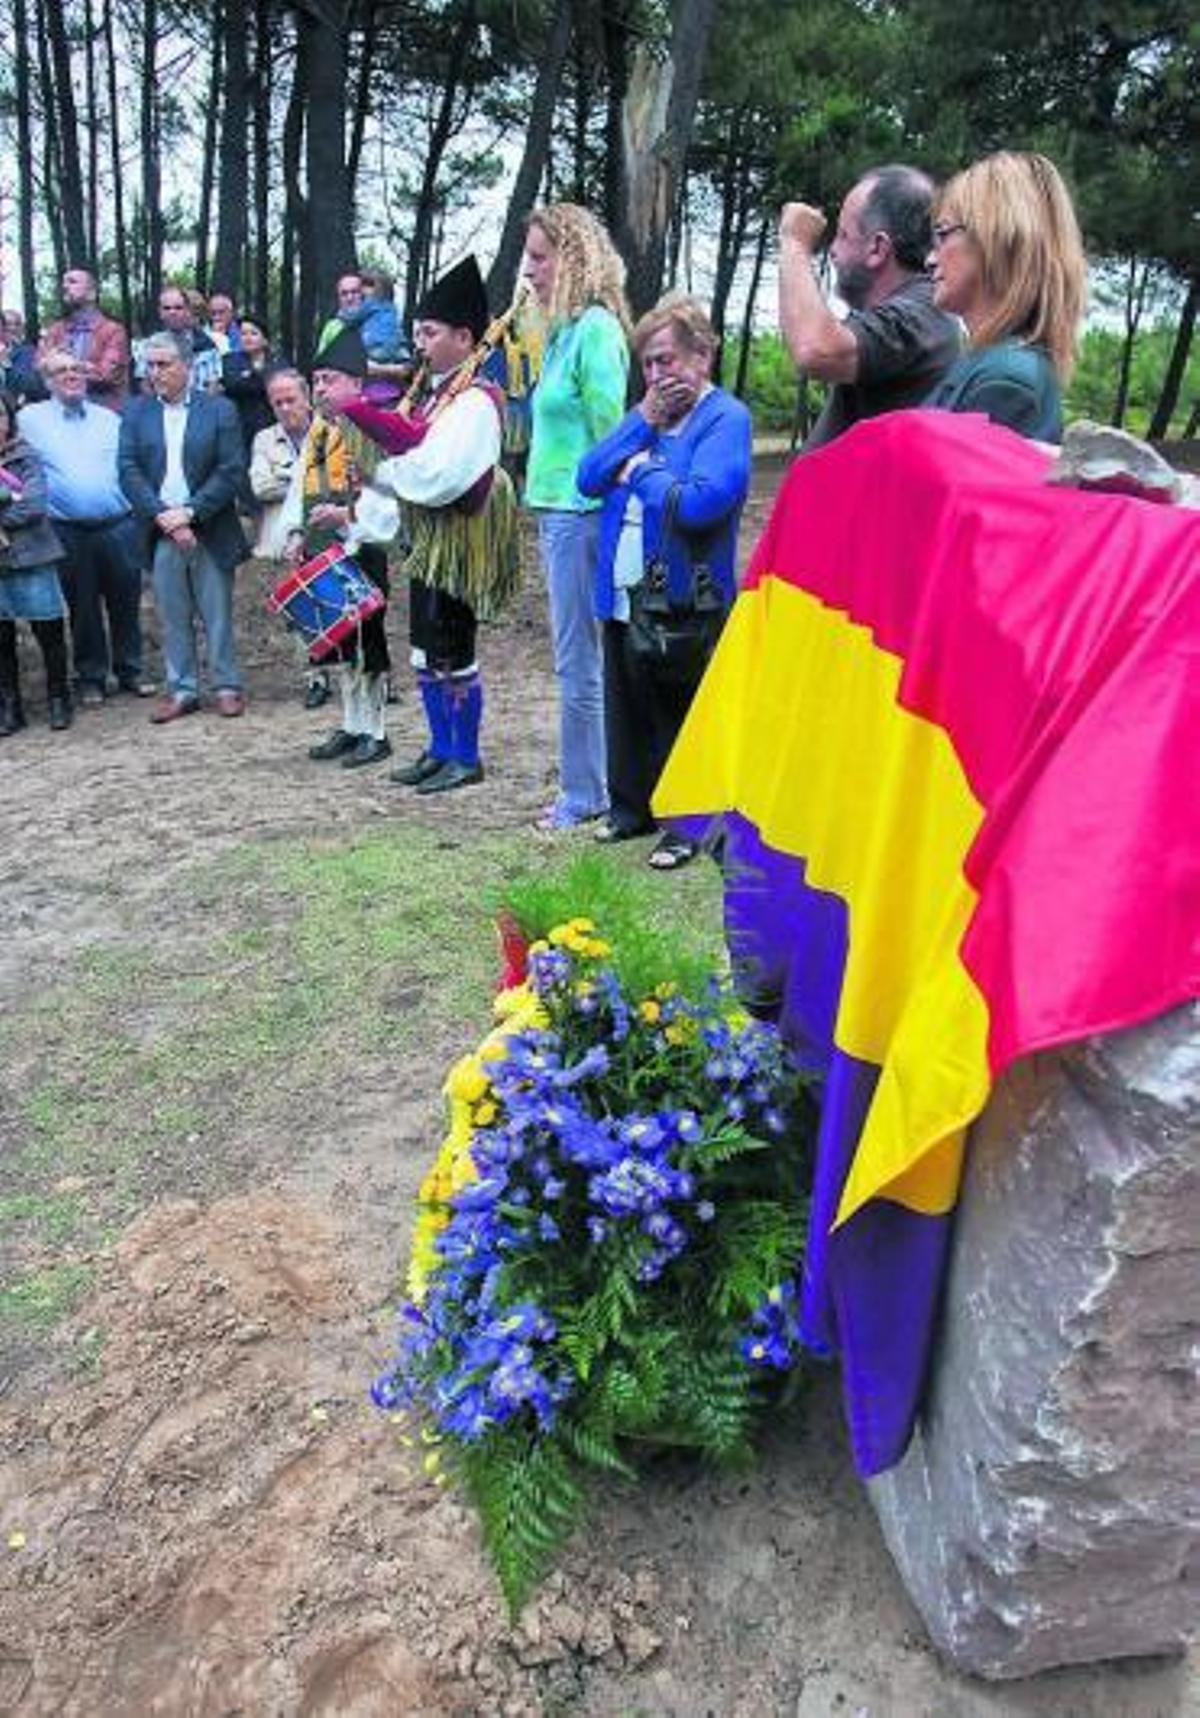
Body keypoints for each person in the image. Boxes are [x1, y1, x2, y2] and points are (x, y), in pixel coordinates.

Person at [577, 295, 752, 868]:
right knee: (625, 701)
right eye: (648, 364)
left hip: (686, 594)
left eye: (666, 360)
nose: (656, 375)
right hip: (623, 587)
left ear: (701, 356)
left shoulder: (724, 418)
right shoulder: (647, 417)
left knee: (681, 713)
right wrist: (641, 424)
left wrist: (641, 471)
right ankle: (631, 809)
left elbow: (699, 502)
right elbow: (588, 477)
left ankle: (687, 826)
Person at [344, 255, 520, 795]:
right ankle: (440, 748)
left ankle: (464, 755)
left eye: (430, 332)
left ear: (465, 337)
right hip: (430, 539)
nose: (419, 343)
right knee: (425, 646)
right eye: (418, 332)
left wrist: (383, 472)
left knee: (451, 646)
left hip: (458, 541)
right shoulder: (437, 394)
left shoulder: (475, 400)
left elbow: (442, 474)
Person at [523, 203, 630, 830]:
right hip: (558, 512)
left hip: (581, 513)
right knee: (576, 656)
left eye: (540, 258)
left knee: (578, 659)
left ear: (574, 258)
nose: (529, 270)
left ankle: (586, 791)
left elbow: (611, 435)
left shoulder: (595, 330)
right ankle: (593, 781)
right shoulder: (563, 333)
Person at [278, 325, 395, 768]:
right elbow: (300, 487)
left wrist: (347, 518)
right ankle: (352, 724)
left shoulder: (374, 428)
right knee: (341, 647)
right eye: (317, 380)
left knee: (367, 644)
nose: (321, 388)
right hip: (323, 552)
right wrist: (295, 533)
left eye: (330, 379)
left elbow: (387, 494)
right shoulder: (318, 431)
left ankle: (376, 732)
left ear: (357, 384)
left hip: (362, 550)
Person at [778, 165, 961, 449]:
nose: (832, 250)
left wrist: (794, 242)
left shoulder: (921, 314)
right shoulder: (918, 310)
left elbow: (815, 349)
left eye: (843, 235)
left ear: (877, 248)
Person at [118, 330, 247, 722]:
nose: (155, 372)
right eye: (150, 365)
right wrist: (165, 517)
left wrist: (190, 513)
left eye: (164, 364)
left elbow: (230, 470)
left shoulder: (220, 410)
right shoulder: (136, 412)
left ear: (187, 366)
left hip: (210, 526)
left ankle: (226, 686)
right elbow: (128, 470)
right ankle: (183, 690)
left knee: (217, 613)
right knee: (173, 615)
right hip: (161, 529)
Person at [923, 151, 1087, 442]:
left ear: (997, 240)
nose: (930, 259)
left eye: (943, 234)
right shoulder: (993, 364)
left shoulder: (1003, 379)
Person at [19, 351, 152, 706]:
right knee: (83, 607)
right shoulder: (29, 419)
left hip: (119, 525)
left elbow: (129, 466)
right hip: (67, 529)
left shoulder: (108, 418)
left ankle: (130, 669)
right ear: (47, 381)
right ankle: (91, 676)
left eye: (77, 369)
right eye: (61, 371)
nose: (71, 375)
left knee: (126, 601)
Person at [249, 367, 332, 710]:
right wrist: (308, 481)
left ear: (307, 398)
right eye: (277, 402)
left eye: (291, 400)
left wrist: (288, 477)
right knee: (303, 609)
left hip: (329, 533)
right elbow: (259, 486)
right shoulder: (264, 440)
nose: (284, 408)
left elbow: (340, 482)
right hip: (285, 541)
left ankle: (366, 673)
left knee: (342, 601)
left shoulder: (329, 430)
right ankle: (315, 678)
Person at [0, 390, 72, 733]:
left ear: (9, 419)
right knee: (1, 640)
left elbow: (34, 506)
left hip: (33, 556)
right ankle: (10, 706)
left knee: (48, 632)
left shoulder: (25, 457)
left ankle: (59, 699)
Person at [38, 267, 130, 408]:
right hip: (60, 409)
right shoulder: (55, 330)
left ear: (92, 293)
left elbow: (106, 374)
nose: (65, 287)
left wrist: (61, 365)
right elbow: (40, 368)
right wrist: (86, 366)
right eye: (64, 283)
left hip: (102, 409)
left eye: (72, 282)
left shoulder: (113, 331)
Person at [133, 288, 221, 393]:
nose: (172, 312)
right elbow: (145, 384)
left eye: (178, 308)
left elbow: (213, 386)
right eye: (167, 308)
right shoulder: (149, 346)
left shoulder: (207, 346)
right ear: (160, 312)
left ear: (188, 310)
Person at [220, 314, 281, 454]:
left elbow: (278, 385)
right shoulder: (229, 360)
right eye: (243, 334)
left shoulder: (277, 360)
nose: (247, 338)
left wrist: (249, 376)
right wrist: (260, 376)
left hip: (271, 425)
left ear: (265, 339)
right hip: (239, 428)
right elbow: (233, 385)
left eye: (253, 333)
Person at [1, 311, 46, 404]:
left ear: (23, 328)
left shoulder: (29, 351)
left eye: (17, 324)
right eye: (7, 324)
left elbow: (30, 384)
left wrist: (6, 363)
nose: (12, 328)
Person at [206, 290, 241, 356]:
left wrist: (220, 338)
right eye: (213, 313)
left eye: (221, 312)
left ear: (231, 313)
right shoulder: (204, 333)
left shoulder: (240, 333)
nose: (217, 318)